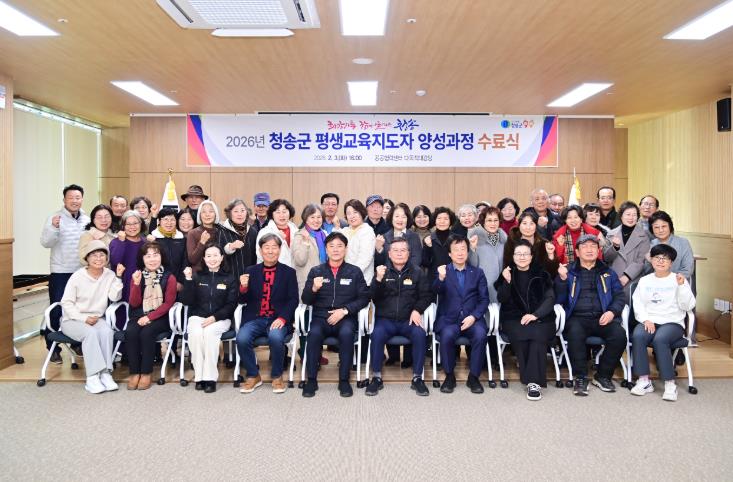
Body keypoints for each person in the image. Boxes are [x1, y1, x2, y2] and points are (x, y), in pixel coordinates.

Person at [555, 234, 627, 396]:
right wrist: (562, 279)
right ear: (577, 252)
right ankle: (580, 377)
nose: (589, 250)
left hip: (603, 317)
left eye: (593, 246)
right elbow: (558, 299)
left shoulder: (608, 272)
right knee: (575, 333)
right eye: (585, 246)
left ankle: (603, 376)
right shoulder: (568, 271)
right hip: (576, 318)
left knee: (619, 335)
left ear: (599, 250)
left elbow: (619, 296)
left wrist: (612, 312)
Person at [301, 232, 370, 398]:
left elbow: (364, 298)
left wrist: (345, 310)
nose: (336, 249)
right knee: (313, 334)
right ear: (326, 249)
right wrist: (314, 289)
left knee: (347, 334)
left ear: (345, 249)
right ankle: (311, 380)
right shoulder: (316, 271)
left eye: (340, 246)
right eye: (331, 246)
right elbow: (306, 299)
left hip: (345, 317)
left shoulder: (354, 272)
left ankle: (344, 380)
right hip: (321, 317)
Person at [367, 238, 433, 396]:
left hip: (408, 319)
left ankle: (417, 378)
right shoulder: (382, 271)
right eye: (395, 250)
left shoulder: (417, 272)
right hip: (385, 320)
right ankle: (376, 377)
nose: (399, 253)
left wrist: (417, 310)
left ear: (408, 253)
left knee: (420, 334)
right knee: (376, 335)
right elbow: (372, 296)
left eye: (403, 250)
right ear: (389, 254)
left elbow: (426, 295)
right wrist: (378, 279)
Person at [631, 244, 696, 402]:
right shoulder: (645, 281)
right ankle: (644, 381)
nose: (660, 261)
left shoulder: (678, 279)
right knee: (638, 335)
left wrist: (682, 287)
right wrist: (645, 319)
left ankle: (670, 383)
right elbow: (638, 303)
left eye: (665, 259)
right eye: (657, 258)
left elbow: (688, 306)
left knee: (660, 339)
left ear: (671, 263)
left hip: (673, 323)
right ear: (651, 260)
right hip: (649, 320)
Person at [237, 234, 299, 394]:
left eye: (274, 247)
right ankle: (253, 375)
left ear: (279, 250)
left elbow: (293, 299)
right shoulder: (250, 271)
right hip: (255, 318)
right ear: (260, 250)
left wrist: (283, 318)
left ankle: (277, 376)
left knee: (276, 337)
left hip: (277, 318)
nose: (270, 251)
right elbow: (242, 299)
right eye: (267, 247)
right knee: (242, 338)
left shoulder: (289, 272)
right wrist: (243, 288)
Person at [494, 240, 556, 400]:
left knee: (537, 335)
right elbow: (502, 298)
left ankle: (533, 382)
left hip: (541, 318)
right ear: (513, 256)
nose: (522, 257)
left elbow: (550, 298)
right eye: (518, 254)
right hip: (514, 318)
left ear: (532, 256)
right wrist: (507, 282)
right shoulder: (507, 273)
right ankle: (533, 380)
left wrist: (535, 315)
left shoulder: (541, 274)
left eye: (525, 254)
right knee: (522, 334)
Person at [60, 240, 123, 393]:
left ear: (106, 258)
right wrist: (83, 319)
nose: (98, 259)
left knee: (107, 331)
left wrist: (118, 277)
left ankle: (105, 373)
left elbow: (114, 297)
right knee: (90, 333)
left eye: (102, 255)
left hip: (96, 318)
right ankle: (92, 377)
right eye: (94, 255)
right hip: (72, 320)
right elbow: (66, 303)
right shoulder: (77, 276)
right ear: (87, 258)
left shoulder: (109, 274)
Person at [432, 235, 490, 394]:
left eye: (463, 249)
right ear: (449, 254)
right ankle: (449, 376)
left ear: (467, 251)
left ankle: (474, 377)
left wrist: (474, 316)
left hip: (472, 319)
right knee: (446, 336)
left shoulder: (477, 273)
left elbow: (484, 299)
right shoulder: (443, 271)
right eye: (456, 250)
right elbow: (435, 291)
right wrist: (441, 278)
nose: (460, 253)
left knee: (480, 335)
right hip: (450, 320)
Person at [41, 184, 90, 363]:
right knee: (57, 309)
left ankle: (76, 342)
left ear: (82, 199)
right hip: (61, 272)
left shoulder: (87, 219)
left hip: (82, 271)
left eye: (78, 197)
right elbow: (45, 242)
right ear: (64, 200)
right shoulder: (55, 218)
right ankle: (53, 348)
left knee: (80, 309)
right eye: (71, 198)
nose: (74, 201)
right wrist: (54, 227)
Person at [181, 244, 238, 393]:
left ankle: (210, 378)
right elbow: (187, 300)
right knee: (196, 334)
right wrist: (188, 279)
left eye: (215, 255)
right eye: (208, 256)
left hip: (221, 319)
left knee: (210, 333)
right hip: (197, 317)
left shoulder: (229, 278)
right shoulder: (197, 276)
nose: (212, 259)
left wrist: (215, 317)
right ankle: (199, 377)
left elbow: (231, 304)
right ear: (204, 259)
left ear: (222, 257)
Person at [125, 242, 177, 390]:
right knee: (131, 332)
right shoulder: (138, 275)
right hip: (138, 314)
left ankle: (146, 372)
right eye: (148, 256)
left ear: (161, 257)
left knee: (147, 333)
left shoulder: (169, 277)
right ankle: (134, 372)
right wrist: (136, 284)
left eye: (156, 255)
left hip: (161, 317)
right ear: (142, 259)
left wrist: (149, 317)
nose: (152, 259)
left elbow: (168, 303)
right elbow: (134, 303)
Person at [603, 201, 651, 297]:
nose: (631, 218)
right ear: (621, 216)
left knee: (631, 302)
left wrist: (627, 276)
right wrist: (615, 247)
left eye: (634, 215)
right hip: (613, 278)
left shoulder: (644, 236)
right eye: (628, 214)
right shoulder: (611, 234)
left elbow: (641, 260)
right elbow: (606, 258)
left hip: (633, 279)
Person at [503, 211, 559, 277]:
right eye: (524, 223)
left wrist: (550, 255)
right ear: (519, 225)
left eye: (531, 224)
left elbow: (552, 271)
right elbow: (507, 265)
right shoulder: (512, 242)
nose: (528, 227)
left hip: (539, 281)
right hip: (517, 280)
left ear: (536, 226)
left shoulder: (544, 244)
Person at [468, 207, 507, 302]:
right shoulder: (475, 239)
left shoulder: (505, 240)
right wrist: (472, 248)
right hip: (482, 288)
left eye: (495, 220)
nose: (493, 223)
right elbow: (472, 265)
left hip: (502, 289)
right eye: (489, 220)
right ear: (483, 222)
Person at [109, 210, 146, 303]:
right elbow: (115, 262)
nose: (132, 227)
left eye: (135, 223)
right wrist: (121, 242)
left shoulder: (145, 242)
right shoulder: (116, 242)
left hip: (142, 282)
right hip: (124, 283)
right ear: (123, 226)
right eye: (128, 224)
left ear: (141, 224)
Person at [292, 204, 328, 296]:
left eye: (319, 217)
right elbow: (300, 261)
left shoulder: (324, 234)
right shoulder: (299, 235)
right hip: (307, 283)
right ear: (306, 219)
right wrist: (305, 243)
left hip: (324, 282)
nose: (316, 220)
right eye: (312, 217)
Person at [647, 211, 694, 280]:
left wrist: (670, 281)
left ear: (670, 226)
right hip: (655, 283)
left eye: (664, 226)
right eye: (656, 227)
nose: (661, 230)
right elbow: (647, 271)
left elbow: (687, 269)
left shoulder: (683, 243)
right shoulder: (650, 244)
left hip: (677, 282)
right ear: (652, 229)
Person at [219, 198, 258, 279]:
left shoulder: (253, 231)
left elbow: (256, 257)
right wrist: (230, 247)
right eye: (236, 211)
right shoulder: (221, 231)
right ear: (230, 213)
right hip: (229, 278)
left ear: (247, 213)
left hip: (249, 277)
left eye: (242, 211)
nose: (240, 214)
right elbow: (218, 255)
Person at [375, 202, 422, 269]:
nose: (400, 220)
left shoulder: (414, 237)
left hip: (409, 274)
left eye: (403, 217)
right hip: (388, 274)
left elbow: (416, 260)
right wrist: (379, 249)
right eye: (397, 216)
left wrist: (402, 272)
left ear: (407, 219)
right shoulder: (384, 237)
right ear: (391, 218)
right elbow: (380, 263)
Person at [149, 207, 188, 288]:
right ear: (159, 221)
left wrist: (180, 281)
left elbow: (185, 261)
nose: (169, 223)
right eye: (165, 219)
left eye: (172, 220)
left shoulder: (181, 238)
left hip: (177, 282)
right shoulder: (153, 238)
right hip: (157, 282)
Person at [342, 199, 376, 285]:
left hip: (362, 280)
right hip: (345, 279)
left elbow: (365, 259)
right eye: (349, 213)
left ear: (361, 213)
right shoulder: (344, 231)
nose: (352, 216)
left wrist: (350, 275)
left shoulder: (367, 231)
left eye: (355, 212)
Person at [255, 198, 298, 267]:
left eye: (284, 212)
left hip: (293, 271)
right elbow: (260, 255)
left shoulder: (296, 230)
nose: (282, 215)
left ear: (290, 213)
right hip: (272, 271)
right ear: (272, 214)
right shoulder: (265, 232)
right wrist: (279, 239)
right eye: (278, 212)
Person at [422, 206, 456, 283]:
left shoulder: (456, 239)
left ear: (450, 221)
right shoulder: (428, 239)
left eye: (446, 219)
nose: (442, 221)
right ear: (435, 220)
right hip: (433, 279)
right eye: (439, 218)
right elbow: (425, 263)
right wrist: (428, 247)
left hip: (453, 278)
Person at [186, 199, 221, 272]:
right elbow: (192, 260)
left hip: (219, 274)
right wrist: (202, 242)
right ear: (200, 215)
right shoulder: (192, 233)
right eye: (203, 212)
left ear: (216, 214)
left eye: (211, 211)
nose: (207, 214)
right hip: (199, 275)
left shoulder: (221, 231)